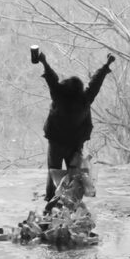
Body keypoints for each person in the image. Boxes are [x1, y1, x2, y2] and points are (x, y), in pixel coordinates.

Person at [31, 46, 115, 207]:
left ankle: (51, 199)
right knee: (73, 172)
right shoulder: (85, 99)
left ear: (64, 87)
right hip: (75, 143)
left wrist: (44, 61)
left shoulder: (58, 95)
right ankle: (71, 199)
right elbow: (95, 83)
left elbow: (51, 78)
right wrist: (106, 65)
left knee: (53, 170)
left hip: (56, 141)